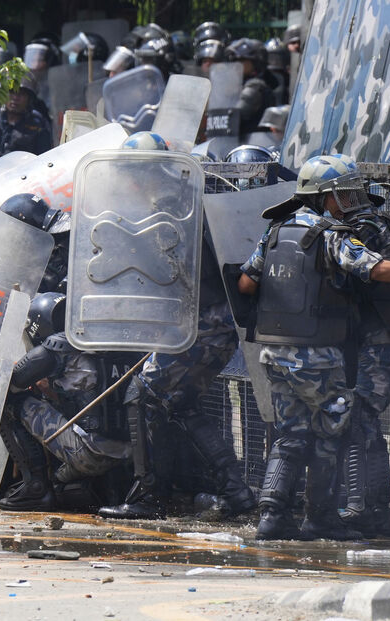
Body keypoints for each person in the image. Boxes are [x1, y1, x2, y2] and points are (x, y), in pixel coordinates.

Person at [237, 155, 390, 540]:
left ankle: (275, 517)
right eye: (343, 193)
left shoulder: (276, 231)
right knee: (334, 431)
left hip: (284, 351)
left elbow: (244, 285)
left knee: (297, 433)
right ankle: (329, 516)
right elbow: (372, 268)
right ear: (323, 197)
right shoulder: (330, 233)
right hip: (320, 355)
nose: (352, 199)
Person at [99, 132, 256, 521]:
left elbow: (169, 272)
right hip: (201, 320)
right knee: (177, 403)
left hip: (202, 322)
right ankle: (237, 495)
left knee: (142, 393)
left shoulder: (170, 207)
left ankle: (148, 498)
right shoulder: (180, 197)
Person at [328, 156, 390, 538]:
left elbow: (374, 268)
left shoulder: (366, 227)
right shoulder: (366, 223)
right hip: (382, 335)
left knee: (359, 417)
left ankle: (368, 509)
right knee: (359, 418)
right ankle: (371, 508)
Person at [0, 291, 135, 512]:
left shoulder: (57, 346)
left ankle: (35, 488)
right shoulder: (112, 342)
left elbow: (9, 382)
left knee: (7, 402)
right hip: (130, 458)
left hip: (89, 454)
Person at [0, 78, 52, 159]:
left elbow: (44, 159)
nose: (15, 98)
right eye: (12, 92)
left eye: (22, 94)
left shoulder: (38, 125)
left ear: (29, 99)